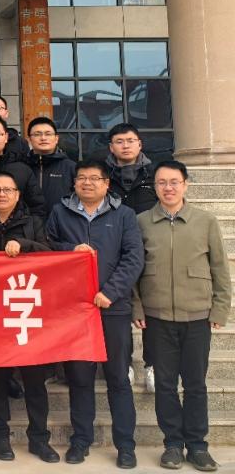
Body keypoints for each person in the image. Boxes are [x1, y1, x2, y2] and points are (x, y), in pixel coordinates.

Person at [132, 161, 231, 473]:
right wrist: (137, 307)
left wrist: (220, 308)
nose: (168, 188)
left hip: (197, 316)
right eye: (161, 182)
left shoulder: (205, 221)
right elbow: (133, 269)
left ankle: (198, 446)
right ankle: (172, 444)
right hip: (157, 318)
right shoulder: (141, 222)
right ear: (155, 187)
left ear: (185, 184)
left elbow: (220, 268)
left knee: (195, 384)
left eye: (174, 181)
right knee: (164, 384)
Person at [46, 159, 144, 470]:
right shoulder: (60, 212)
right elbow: (46, 248)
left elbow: (133, 257)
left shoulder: (124, 214)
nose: (87, 183)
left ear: (106, 184)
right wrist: (69, 251)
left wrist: (110, 292)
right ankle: (81, 440)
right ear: (74, 183)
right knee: (80, 378)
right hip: (74, 309)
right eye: (81, 178)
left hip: (113, 308)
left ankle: (125, 445)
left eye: (94, 178)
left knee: (118, 378)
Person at [0, 171, 59, 464]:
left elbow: (50, 255)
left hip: (26, 309)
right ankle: (0, 437)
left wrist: (26, 245)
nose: (2, 194)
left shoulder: (33, 222)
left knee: (34, 381)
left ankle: (39, 439)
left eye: (8, 190)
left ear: (18, 194)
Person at [105, 122, 159, 392]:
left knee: (151, 309)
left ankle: (152, 364)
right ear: (111, 147)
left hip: (150, 249)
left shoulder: (155, 174)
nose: (125, 146)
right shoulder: (103, 176)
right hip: (114, 250)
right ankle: (123, 363)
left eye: (130, 140)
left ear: (140, 144)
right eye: (119, 141)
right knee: (120, 308)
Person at [25, 116, 76, 209]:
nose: (43, 138)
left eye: (48, 134)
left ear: (56, 138)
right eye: (37, 134)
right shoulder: (22, 167)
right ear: (29, 139)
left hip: (60, 218)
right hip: (27, 218)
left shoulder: (71, 167)